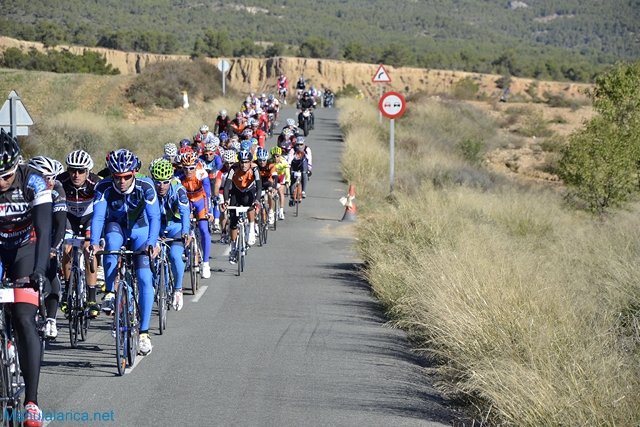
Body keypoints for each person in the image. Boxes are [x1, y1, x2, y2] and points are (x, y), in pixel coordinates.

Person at [0, 129, 51, 426]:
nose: (1, 183)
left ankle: (31, 402)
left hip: (25, 249)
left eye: (6, 176)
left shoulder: (34, 180)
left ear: (17, 165)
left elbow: (44, 230)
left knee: (23, 317)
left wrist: (40, 271)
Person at [90, 149, 160, 356]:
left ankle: (144, 333)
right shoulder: (103, 187)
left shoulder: (146, 186)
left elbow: (154, 217)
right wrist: (94, 243)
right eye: (117, 177)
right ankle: (111, 292)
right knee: (111, 243)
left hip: (140, 230)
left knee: (144, 278)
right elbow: (98, 217)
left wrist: (152, 243)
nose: (121, 181)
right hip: (117, 227)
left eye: (127, 177)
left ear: (134, 173)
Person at [58, 149, 102, 318]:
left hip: (89, 219)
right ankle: (67, 291)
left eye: (81, 171)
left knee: (88, 248)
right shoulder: (61, 181)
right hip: (70, 219)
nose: (76, 175)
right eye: (72, 170)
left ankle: (91, 298)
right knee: (67, 248)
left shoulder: (95, 183)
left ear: (88, 171)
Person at [27, 156, 67, 341]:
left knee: (50, 270)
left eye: (52, 177)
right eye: (45, 178)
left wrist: (53, 249)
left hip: (49, 233)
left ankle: (50, 319)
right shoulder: (24, 188)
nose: (50, 182)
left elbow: (60, 225)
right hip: (27, 234)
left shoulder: (57, 189)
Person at [149, 159, 190, 311]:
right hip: (157, 229)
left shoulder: (178, 190)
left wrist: (185, 231)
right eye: (158, 182)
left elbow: (185, 211)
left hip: (175, 228)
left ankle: (178, 289)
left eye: (165, 182)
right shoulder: (148, 189)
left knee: (174, 256)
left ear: (171, 180)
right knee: (150, 256)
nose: (161, 186)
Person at [176, 152, 212, 279]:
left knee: (203, 229)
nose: (188, 171)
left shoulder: (201, 174)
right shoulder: (178, 177)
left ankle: (206, 263)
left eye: (191, 168)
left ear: (196, 166)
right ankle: (188, 253)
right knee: (184, 228)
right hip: (187, 202)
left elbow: (207, 194)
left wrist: (209, 212)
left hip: (201, 201)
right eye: (185, 168)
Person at [222, 150, 261, 264]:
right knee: (233, 221)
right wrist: (226, 201)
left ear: (250, 162)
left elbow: (259, 186)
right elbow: (226, 186)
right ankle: (233, 247)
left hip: (249, 191)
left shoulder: (255, 168)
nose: (244, 165)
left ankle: (251, 229)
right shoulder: (233, 168)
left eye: (246, 162)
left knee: (251, 205)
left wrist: (257, 200)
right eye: (242, 162)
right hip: (236, 192)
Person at [255, 148, 278, 225]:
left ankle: (271, 211)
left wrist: (274, 188)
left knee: (269, 193)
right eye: (260, 160)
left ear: (266, 159)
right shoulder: (254, 164)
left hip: (268, 182)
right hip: (258, 182)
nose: (262, 162)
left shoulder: (270, 165)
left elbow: (275, 176)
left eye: (264, 160)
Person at [287, 137, 311, 203]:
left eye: (301, 144)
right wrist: (288, 169)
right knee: (291, 177)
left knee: (304, 173)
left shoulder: (307, 149)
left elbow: (309, 159)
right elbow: (289, 160)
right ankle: (292, 195)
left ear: (304, 144)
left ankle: (303, 191)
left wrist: (309, 169)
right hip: (294, 164)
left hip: (303, 164)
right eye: (298, 144)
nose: (299, 146)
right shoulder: (292, 150)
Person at [269, 146, 290, 220]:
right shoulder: (269, 161)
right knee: (271, 193)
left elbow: (287, 173)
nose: (276, 158)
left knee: (281, 192)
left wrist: (287, 181)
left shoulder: (284, 162)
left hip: (281, 177)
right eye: (274, 156)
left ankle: (281, 211)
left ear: (280, 156)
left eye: (277, 156)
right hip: (273, 177)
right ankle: (271, 210)